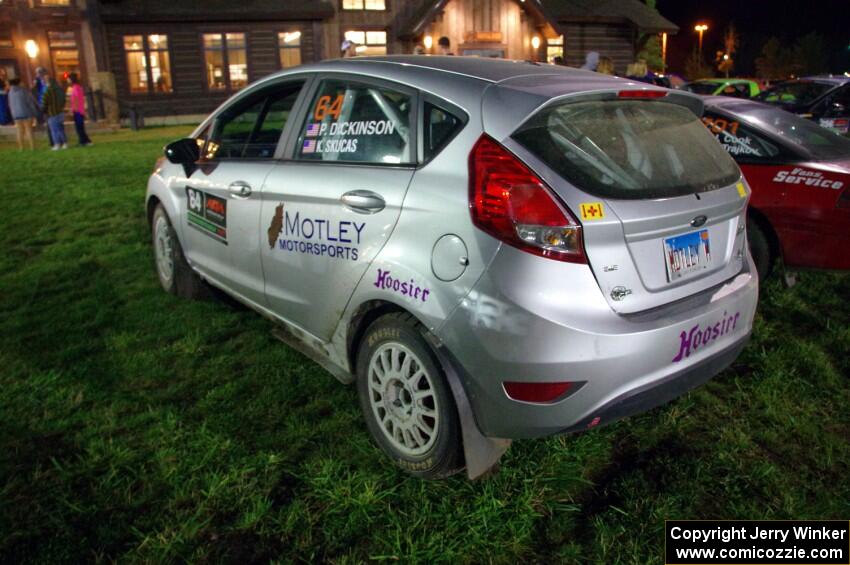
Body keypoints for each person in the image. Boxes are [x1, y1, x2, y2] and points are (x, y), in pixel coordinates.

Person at [7, 78, 39, 151]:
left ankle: (21, 148)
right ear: (18, 83)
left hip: (16, 114)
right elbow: (30, 103)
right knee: (29, 130)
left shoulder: (10, 92)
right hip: (26, 113)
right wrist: (35, 113)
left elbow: (10, 104)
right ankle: (32, 147)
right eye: (22, 82)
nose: (23, 83)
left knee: (19, 131)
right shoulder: (24, 91)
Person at [40, 69, 68, 150]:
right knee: (61, 129)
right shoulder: (59, 89)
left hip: (52, 112)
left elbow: (44, 102)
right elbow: (63, 99)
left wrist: (43, 110)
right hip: (60, 112)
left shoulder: (48, 91)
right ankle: (65, 143)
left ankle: (57, 144)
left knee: (54, 130)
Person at [68, 73, 92, 146]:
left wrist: (73, 110)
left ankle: (83, 141)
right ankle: (86, 140)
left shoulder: (75, 88)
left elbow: (76, 100)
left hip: (78, 110)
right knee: (80, 126)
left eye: (68, 79)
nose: (67, 80)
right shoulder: (78, 87)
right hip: (79, 109)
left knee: (79, 127)